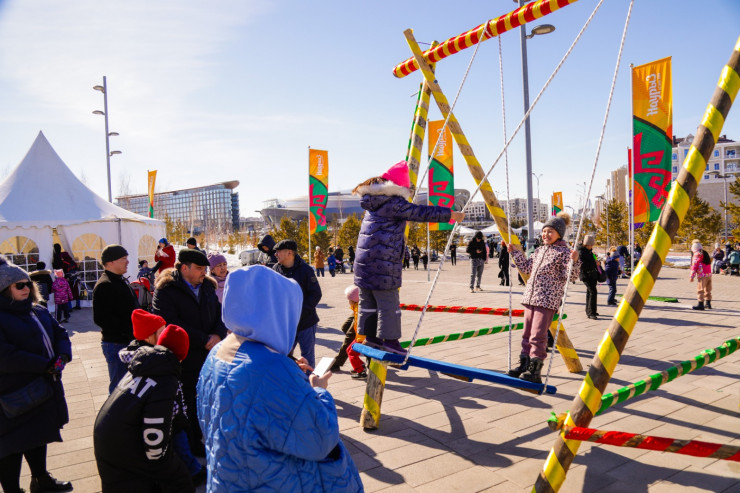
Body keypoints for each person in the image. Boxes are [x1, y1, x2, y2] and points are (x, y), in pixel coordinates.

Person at [197, 266, 363, 492]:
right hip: (275, 481)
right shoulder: (273, 368)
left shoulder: (217, 352)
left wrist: (288, 372)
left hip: (230, 477)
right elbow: (320, 439)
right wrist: (318, 391)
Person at [353, 160, 463, 355]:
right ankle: (390, 342)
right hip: (383, 264)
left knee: (368, 302)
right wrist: (450, 214)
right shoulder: (393, 203)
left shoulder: (372, 204)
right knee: (388, 304)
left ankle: (371, 338)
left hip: (363, 263)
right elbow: (421, 212)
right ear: (400, 187)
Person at [0, 255, 73, 493]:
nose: (26, 288)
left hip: (42, 387)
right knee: (10, 447)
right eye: (18, 285)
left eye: (27, 284)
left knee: (38, 435)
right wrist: (45, 365)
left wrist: (62, 356)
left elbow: (60, 333)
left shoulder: (37, 310)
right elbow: (5, 356)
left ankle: (41, 480)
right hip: (13, 393)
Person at [94, 324, 195, 493]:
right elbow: (155, 443)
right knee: (181, 481)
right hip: (121, 450)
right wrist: (169, 468)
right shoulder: (165, 380)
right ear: (181, 356)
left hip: (109, 440)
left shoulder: (145, 364)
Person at [152, 248, 227, 456]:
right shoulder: (166, 290)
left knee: (210, 399)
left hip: (210, 355)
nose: (204, 272)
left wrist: (217, 335)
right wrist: (204, 340)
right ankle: (192, 445)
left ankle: (208, 437)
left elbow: (220, 315)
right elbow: (171, 323)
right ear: (184, 268)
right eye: (199, 268)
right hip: (184, 358)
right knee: (188, 403)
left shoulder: (207, 286)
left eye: (205, 268)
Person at [117, 310, 205, 487]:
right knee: (177, 442)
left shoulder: (143, 359)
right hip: (163, 419)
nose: (164, 335)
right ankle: (192, 471)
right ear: (149, 336)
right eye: (161, 331)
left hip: (153, 420)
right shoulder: (155, 363)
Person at [504, 212, 580, 384]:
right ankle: (524, 364)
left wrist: (575, 261)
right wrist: (515, 253)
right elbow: (526, 268)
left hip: (547, 299)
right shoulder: (539, 250)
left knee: (537, 335)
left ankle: (535, 370)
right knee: (526, 334)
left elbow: (571, 276)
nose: (546, 234)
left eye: (550, 231)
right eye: (544, 231)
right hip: (531, 297)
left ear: (559, 234)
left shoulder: (564, 253)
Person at [93, 245, 140, 394]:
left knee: (128, 386)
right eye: (123, 259)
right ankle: (114, 410)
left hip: (126, 341)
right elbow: (101, 319)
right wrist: (127, 330)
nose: (127, 262)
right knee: (119, 389)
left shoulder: (119, 280)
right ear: (111, 262)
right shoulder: (105, 285)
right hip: (116, 343)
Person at [273, 239, 322, 369]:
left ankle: (309, 380)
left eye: (278, 251)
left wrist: (300, 311)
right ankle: (289, 379)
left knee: (307, 357)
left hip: (306, 322)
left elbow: (316, 294)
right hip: (286, 325)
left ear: (289, 253)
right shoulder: (275, 270)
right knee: (284, 355)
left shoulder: (305, 270)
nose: (275, 254)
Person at [331, 285, 367, 379]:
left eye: (349, 300)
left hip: (361, 337)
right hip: (359, 336)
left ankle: (361, 371)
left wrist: (361, 339)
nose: (348, 302)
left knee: (351, 351)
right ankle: (360, 365)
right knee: (345, 329)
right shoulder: (356, 306)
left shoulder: (360, 310)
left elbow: (361, 325)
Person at [578, 235, 600, 320]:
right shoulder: (581, 252)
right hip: (586, 275)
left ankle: (589, 310)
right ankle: (591, 313)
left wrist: (596, 260)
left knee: (590, 292)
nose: (592, 246)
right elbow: (583, 265)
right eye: (591, 245)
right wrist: (594, 263)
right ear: (586, 244)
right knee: (593, 292)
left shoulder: (589, 251)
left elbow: (592, 260)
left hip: (592, 274)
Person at [689, 241, 712, 310]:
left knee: (700, 289)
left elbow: (694, 266)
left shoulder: (696, 254)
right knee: (707, 289)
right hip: (708, 274)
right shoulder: (704, 253)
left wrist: (692, 276)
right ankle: (708, 303)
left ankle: (700, 304)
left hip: (702, 274)